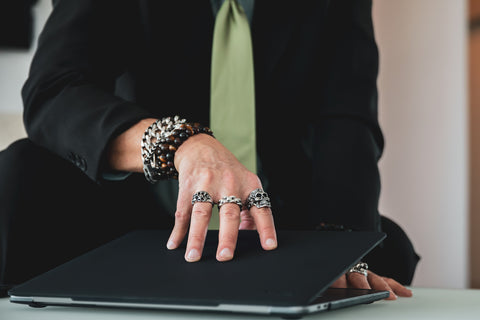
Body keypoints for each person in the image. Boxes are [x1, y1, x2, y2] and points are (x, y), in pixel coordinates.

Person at [0, 0, 419, 299]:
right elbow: (55, 91)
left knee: (384, 247)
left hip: (273, 230)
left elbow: (347, 120)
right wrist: (179, 143)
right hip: (133, 221)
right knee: (21, 173)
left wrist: (340, 248)